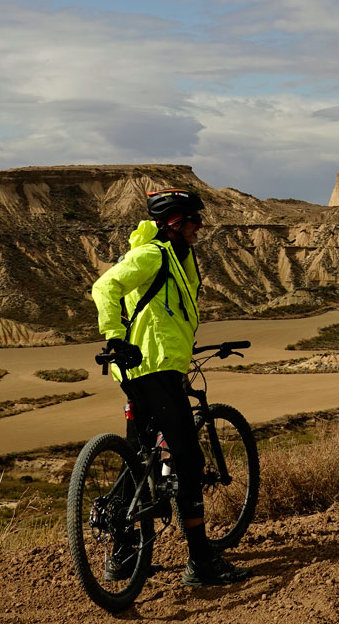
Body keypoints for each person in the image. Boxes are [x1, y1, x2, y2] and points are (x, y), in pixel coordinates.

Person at [90, 188, 251, 587]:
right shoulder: (153, 254)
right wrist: (113, 337)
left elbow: (167, 314)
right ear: (174, 222)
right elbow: (104, 287)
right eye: (195, 219)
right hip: (153, 369)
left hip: (156, 366)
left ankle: (123, 555)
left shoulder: (182, 258)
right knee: (189, 461)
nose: (200, 226)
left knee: (140, 458)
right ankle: (201, 563)